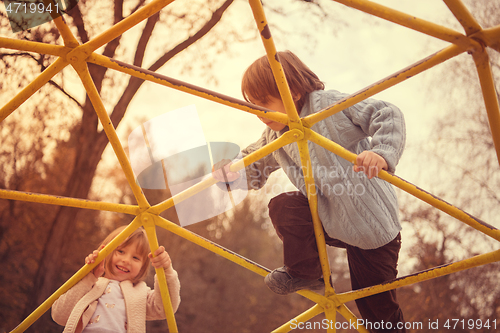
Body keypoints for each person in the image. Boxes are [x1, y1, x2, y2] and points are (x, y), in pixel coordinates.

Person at [212, 50, 406, 332]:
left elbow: (386, 113)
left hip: (372, 229)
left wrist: (382, 153)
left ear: (293, 91)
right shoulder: (275, 134)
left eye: (264, 103)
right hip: (331, 220)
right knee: (284, 206)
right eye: (252, 106)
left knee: (377, 313)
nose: (259, 113)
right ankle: (306, 272)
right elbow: (253, 164)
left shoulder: (329, 107)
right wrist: (231, 172)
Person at [52, 226, 181, 333]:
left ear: (143, 266)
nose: (126, 260)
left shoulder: (140, 292)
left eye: (135, 258)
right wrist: (88, 277)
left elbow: (165, 308)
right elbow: (59, 315)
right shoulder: (90, 284)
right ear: (106, 251)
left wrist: (165, 270)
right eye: (120, 251)